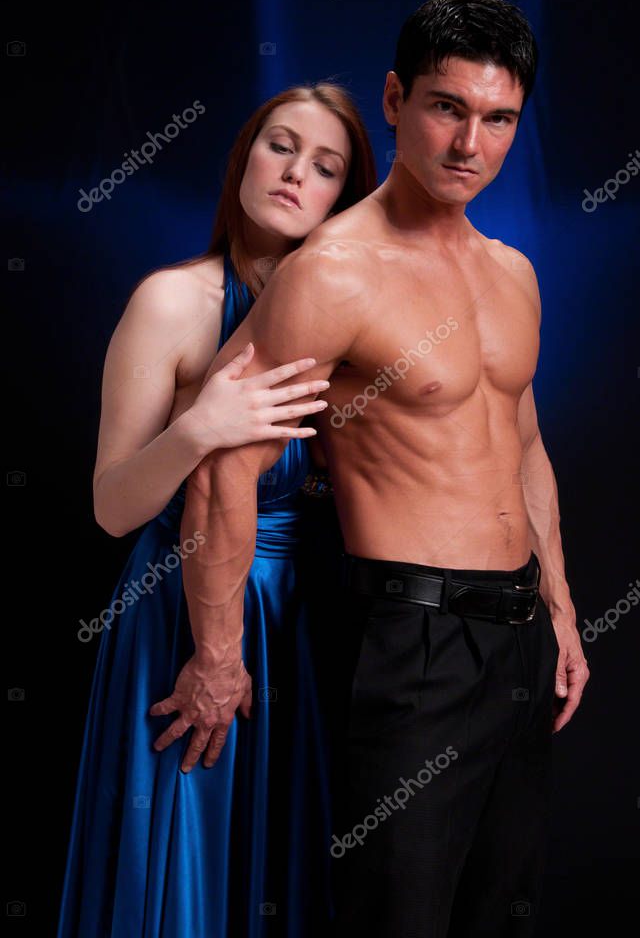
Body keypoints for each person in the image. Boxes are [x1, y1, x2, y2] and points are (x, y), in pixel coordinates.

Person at [163, 0, 591, 937]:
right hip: (412, 640)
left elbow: (524, 443)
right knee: (398, 918)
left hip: (518, 638)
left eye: (498, 119)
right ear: (396, 100)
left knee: (500, 914)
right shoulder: (334, 273)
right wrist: (218, 657)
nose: (469, 143)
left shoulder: (513, 273)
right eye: (446, 107)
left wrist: (560, 609)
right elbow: (226, 465)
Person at [56, 82, 377, 938]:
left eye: (325, 167)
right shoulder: (170, 301)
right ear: (244, 157)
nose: (295, 173)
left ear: (342, 198)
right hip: (177, 609)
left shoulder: (346, 322)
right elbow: (111, 507)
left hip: (297, 618)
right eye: (281, 146)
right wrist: (199, 429)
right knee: (181, 853)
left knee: (280, 860)